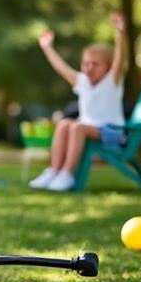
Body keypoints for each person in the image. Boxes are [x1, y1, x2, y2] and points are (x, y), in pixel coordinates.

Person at [29, 12, 127, 192]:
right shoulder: (82, 81)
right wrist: (47, 47)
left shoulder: (113, 81)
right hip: (89, 129)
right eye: (86, 63)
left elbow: (120, 58)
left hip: (113, 133)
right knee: (65, 123)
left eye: (95, 64)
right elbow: (61, 67)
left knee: (76, 126)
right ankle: (54, 170)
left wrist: (120, 34)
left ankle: (67, 173)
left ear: (108, 66)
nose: (89, 68)